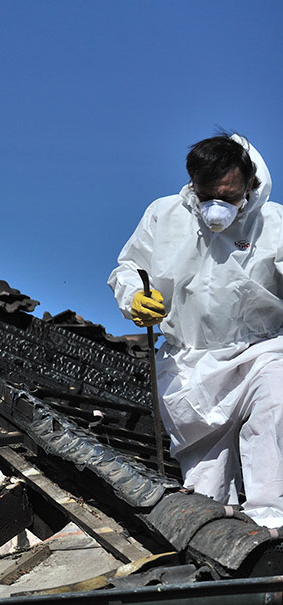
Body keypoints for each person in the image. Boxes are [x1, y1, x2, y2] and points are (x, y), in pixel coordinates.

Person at [108, 133, 283, 528]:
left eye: (229, 194)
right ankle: (212, 540)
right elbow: (129, 268)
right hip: (189, 362)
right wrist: (135, 296)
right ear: (193, 186)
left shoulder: (274, 224)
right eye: (207, 195)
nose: (216, 207)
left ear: (250, 185)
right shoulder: (165, 215)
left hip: (262, 352)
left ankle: (273, 529)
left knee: (274, 418)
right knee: (205, 478)